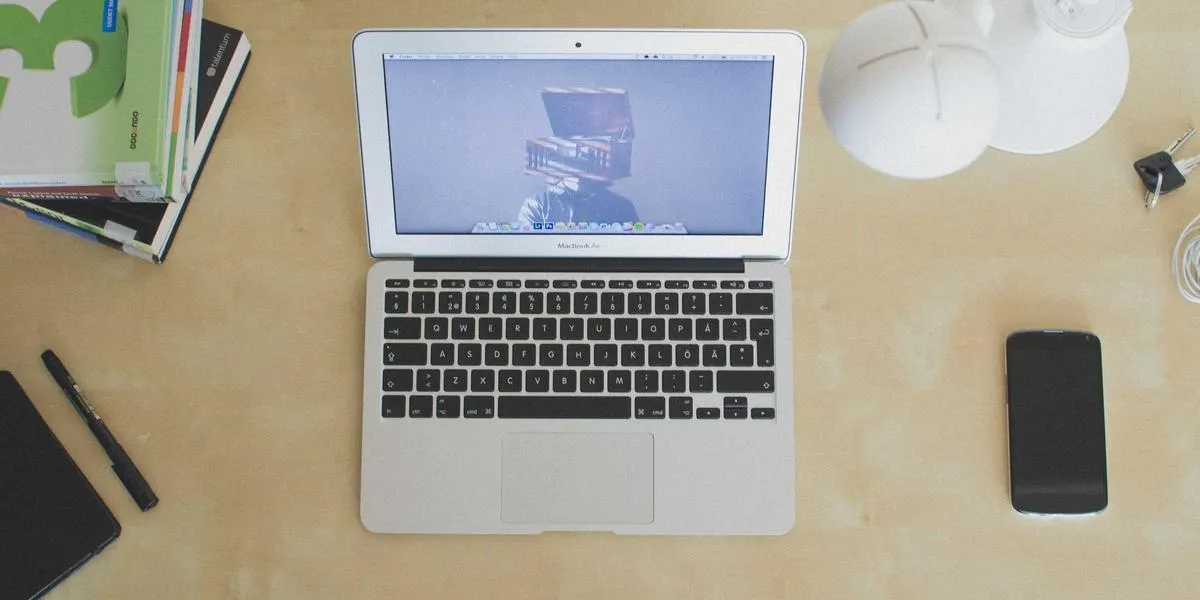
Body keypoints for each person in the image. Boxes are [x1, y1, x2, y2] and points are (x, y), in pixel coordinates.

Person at [517, 176, 638, 228]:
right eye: (573, 163)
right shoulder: (536, 204)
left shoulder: (622, 207)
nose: (578, 175)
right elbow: (527, 249)